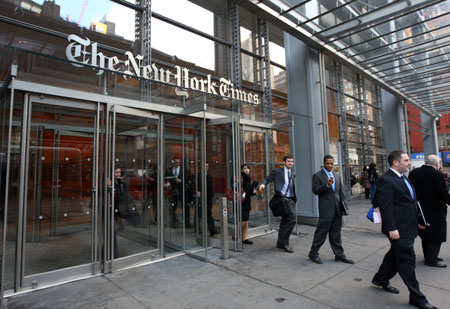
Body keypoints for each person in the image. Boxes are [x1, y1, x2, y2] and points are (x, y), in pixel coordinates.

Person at [372, 150, 438, 309]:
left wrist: (417, 220)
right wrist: (392, 228)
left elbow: (410, 202)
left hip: (408, 226)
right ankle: (417, 297)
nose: (409, 163)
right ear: (396, 162)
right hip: (398, 229)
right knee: (407, 261)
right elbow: (385, 207)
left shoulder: (403, 178)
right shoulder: (386, 180)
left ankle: (380, 278)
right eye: (407, 160)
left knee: (395, 256)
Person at [308, 155, 354, 265]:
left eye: (331, 164)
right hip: (326, 210)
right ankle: (313, 253)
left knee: (336, 234)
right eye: (327, 163)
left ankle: (339, 255)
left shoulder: (337, 176)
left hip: (337, 209)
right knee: (321, 233)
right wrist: (326, 185)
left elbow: (341, 193)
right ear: (324, 163)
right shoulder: (317, 176)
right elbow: (315, 190)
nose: (330, 165)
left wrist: (344, 208)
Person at [409, 154, 450, 268]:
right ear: (436, 164)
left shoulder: (414, 173)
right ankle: (432, 259)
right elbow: (443, 194)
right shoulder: (437, 175)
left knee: (425, 233)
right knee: (436, 235)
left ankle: (429, 256)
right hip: (436, 210)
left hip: (419, 208)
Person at [258, 155, 296, 253]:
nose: (290, 163)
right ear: (283, 162)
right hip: (282, 199)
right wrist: (262, 184)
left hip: (290, 200)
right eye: (288, 161)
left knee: (285, 221)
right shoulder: (277, 171)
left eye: (292, 161)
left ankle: (280, 243)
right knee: (292, 220)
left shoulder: (293, 173)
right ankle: (285, 243)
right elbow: (268, 178)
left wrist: (293, 199)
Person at [164, 157, 191, 228]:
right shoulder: (169, 170)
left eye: (178, 162)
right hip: (173, 191)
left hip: (182, 191)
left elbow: (188, 179)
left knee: (185, 208)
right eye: (176, 162)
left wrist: (181, 181)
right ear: (173, 162)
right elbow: (166, 178)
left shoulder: (184, 170)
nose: (177, 163)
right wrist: (169, 183)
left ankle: (186, 224)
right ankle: (172, 224)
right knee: (172, 208)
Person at [197, 163, 218, 236]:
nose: (206, 168)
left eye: (207, 166)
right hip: (200, 198)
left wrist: (211, 197)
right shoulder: (198, 176)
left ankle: (212, 230)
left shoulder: (209, 177)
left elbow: (211, 189)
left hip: (208, 199)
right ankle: (198, 229)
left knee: (209, 214)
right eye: (205, 166)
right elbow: (195, 185)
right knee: (199, 214)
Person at [241, 164, 257, 245]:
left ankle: (244, 238)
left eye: (248, 168)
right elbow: (247, 190)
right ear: (241, 170)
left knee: (246, 220)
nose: (247, 170)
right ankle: (237, 235)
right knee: (244, 221)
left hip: (246, 201)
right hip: (242, 202)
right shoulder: (242, 179)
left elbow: (249, 192)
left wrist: (253, 191)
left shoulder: (247, 178)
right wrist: (252, 189)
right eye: (245, 168)